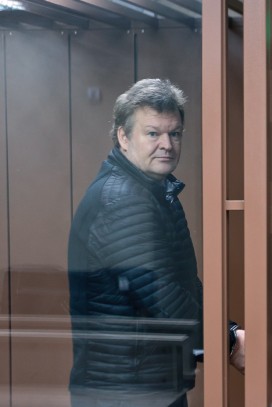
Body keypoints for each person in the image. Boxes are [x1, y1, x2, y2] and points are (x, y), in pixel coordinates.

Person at [68, 78, 245, 407]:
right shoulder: (123, 199)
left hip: (148, 383)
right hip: (125, 392)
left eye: (174, 133)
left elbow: (183, 283)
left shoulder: (154, 190)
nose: (167, 144)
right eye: (153, 133)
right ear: (124, 137)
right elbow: (165, 298)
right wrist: (230, 342)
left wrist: (229, 332)